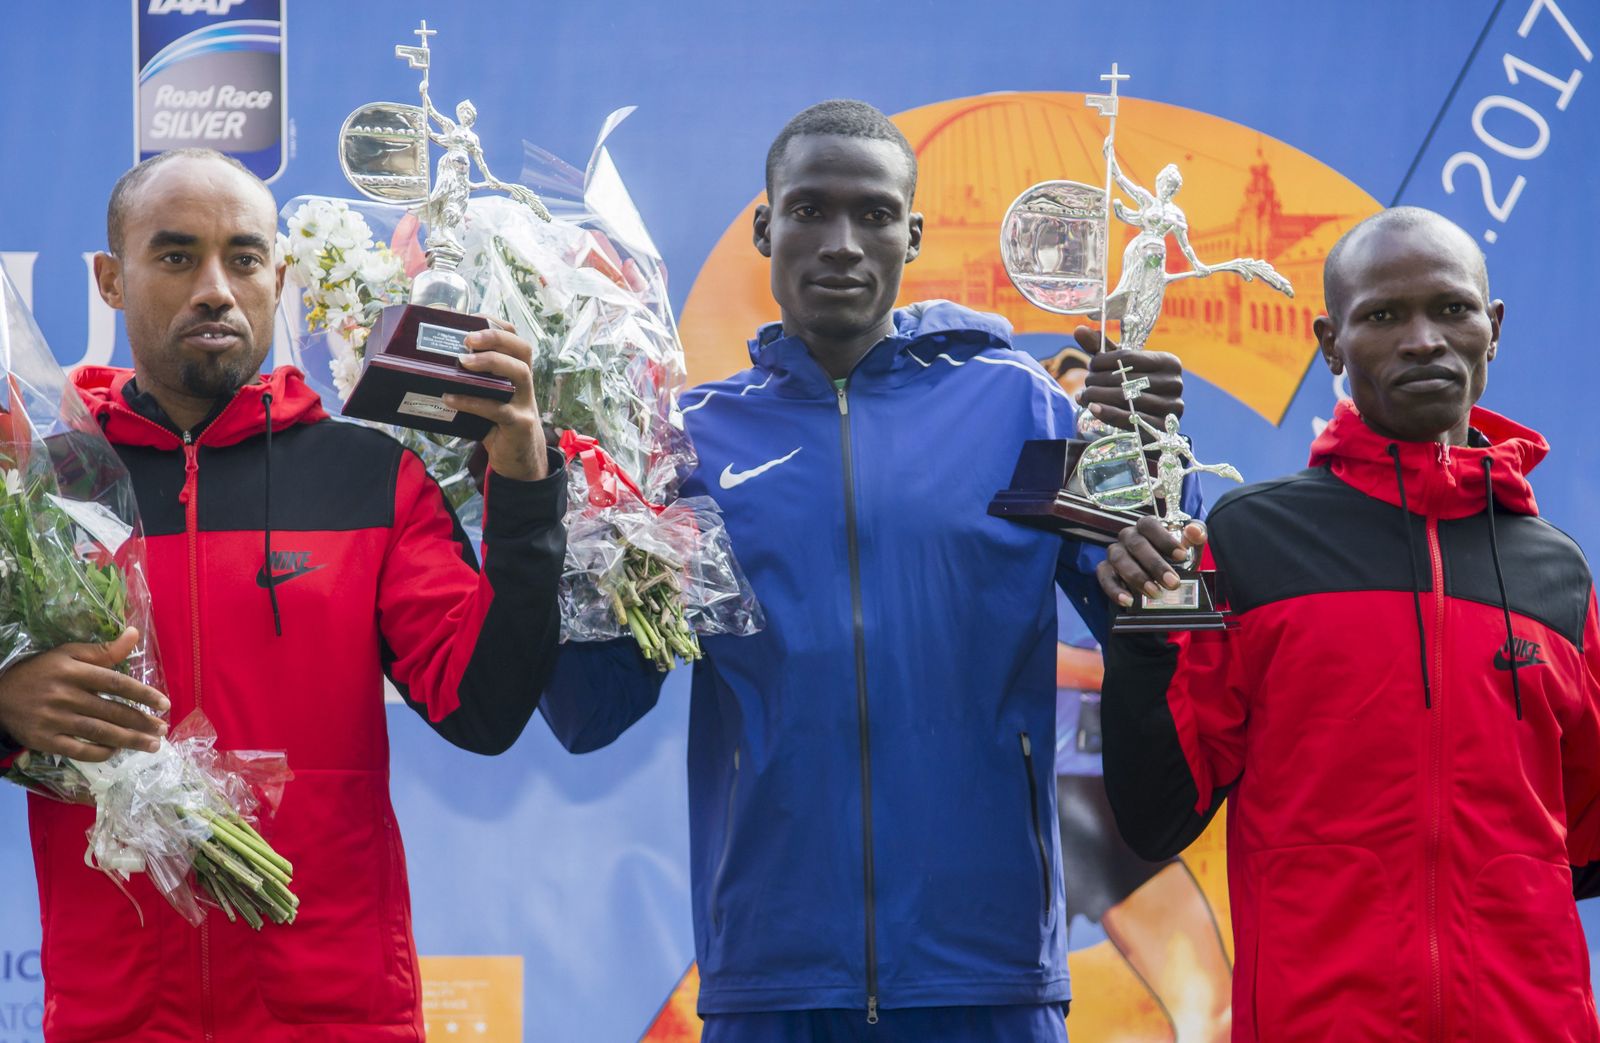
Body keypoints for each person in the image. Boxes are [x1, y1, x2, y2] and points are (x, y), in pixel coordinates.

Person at [541, 99, 1192, 1041]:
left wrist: (1158, 469)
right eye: (809, 210)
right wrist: (551, 513)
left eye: (874, 213)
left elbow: (1152, 607)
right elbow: (591, 708)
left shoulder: (1017, 407)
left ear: (912, 233)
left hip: (987, 976)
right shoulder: (689, 446)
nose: (842, 241)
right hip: (773, 979)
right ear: (765, 227)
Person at [0, 148, 566, 1042]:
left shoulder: (370, 478)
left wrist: (526, 487)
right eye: (177, 256)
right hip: (119, 1016)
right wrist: (5, 705)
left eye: (246, 257)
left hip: (337, 1016)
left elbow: (485, 708)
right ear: (110, 280)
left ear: (281, 277)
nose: (216, 288)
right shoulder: (41, 480)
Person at [1097, 206, 1600, 1040]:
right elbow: (1158, 816)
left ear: (1493, 327)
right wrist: (1144, 636)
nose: (1423, 340)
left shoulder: (1560, 575)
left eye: (1451, 308)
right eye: (1382, 316)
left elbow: (1583, 842)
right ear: (1331, 343)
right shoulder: (1249, 541)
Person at [1047, 351, 1232, 1043]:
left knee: (1214, 1009)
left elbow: (1194, 624)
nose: (1100, 433)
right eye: (1078, 416)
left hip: (1118, 790)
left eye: (1122, 423)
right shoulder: (1014, 519)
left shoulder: (1169, 515)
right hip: (1023, 796)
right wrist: (1107, 664)